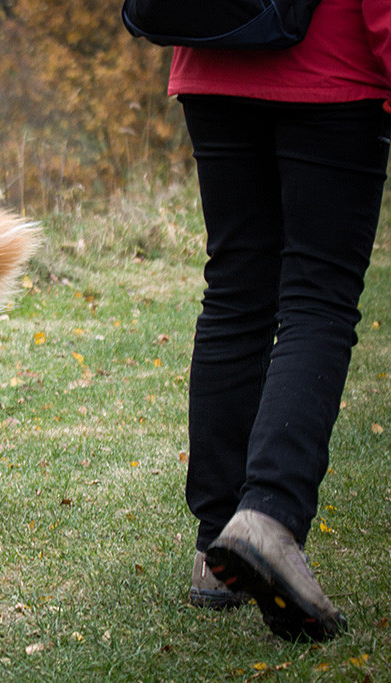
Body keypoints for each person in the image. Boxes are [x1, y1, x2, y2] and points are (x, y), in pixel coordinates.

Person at [166, 0, 391, 642]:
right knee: (318, 299)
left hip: (215, 47)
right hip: (332, 65)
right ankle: (266, 513)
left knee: (236, 292)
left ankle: (218, 549)